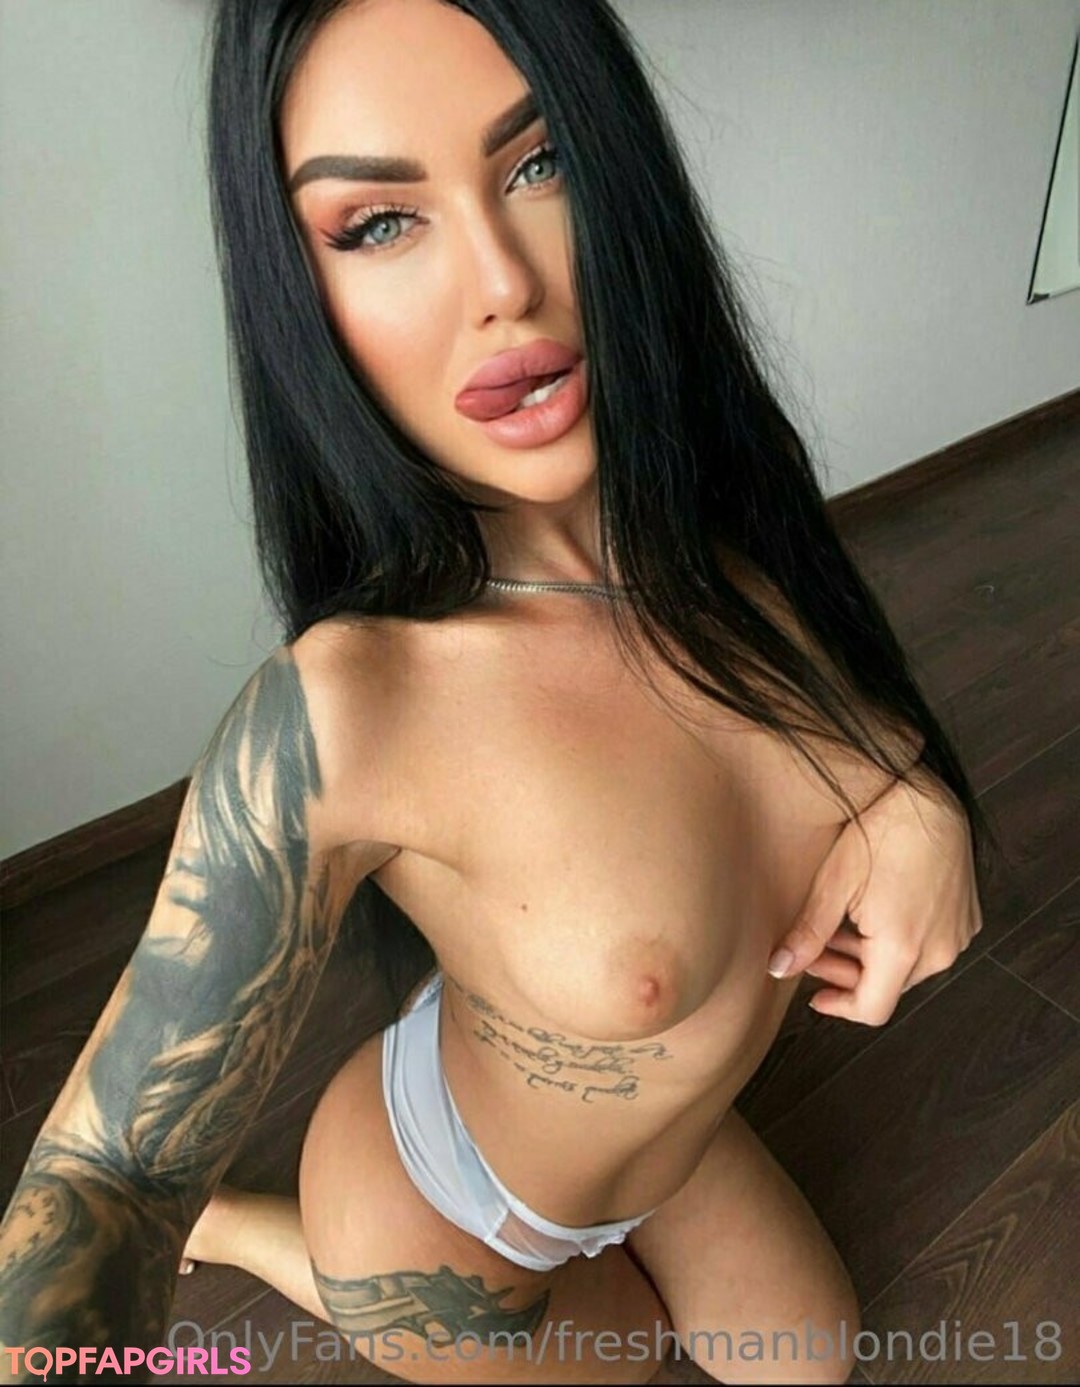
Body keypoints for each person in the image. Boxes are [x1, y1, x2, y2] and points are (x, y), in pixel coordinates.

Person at [0, 1, 993, 1383]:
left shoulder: (719, 530)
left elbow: (828, 730)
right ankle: (268, 1238)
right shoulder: (347, 709)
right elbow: (104, 1177)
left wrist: (917, 804)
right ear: (301, 293)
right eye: (377, 223)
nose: (502, 283)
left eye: (540, 162)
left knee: (808, 1362)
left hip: (665, 1137)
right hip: (441, 1214)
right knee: (630, 1355)